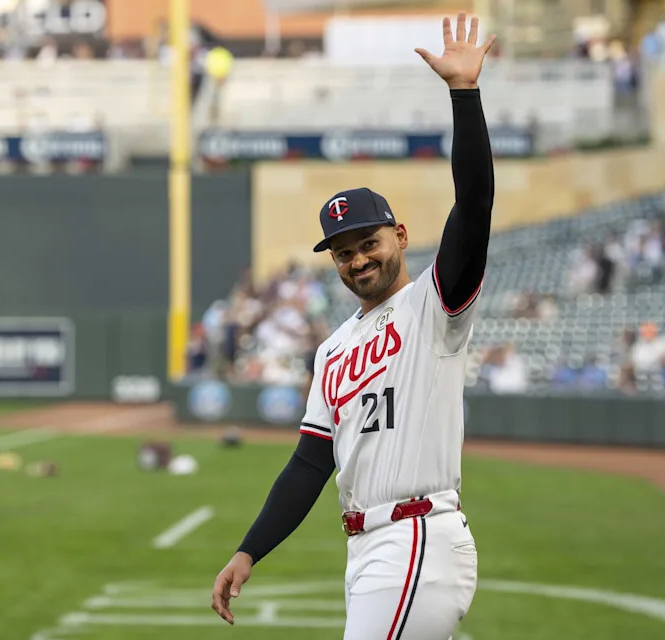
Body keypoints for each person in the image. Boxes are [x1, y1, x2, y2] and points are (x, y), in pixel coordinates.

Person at [211, 13, 495, 638]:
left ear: (398, 236)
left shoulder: (434, 305)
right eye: (343, 252)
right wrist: (248, 550)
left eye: (368, 243)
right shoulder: (336, 347)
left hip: (417, 536)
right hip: (366, 545)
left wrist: (464, 95)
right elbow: (311, 464)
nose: (358, 259)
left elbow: (473, 206)